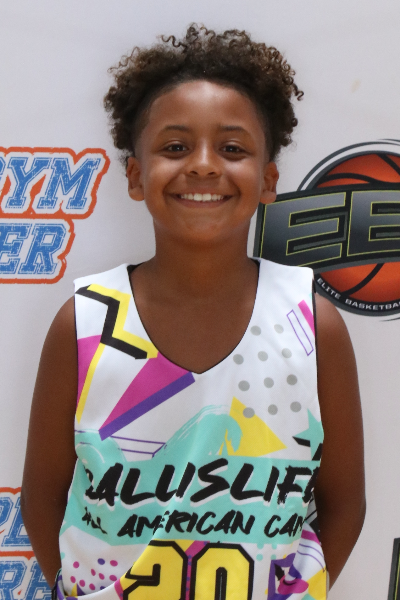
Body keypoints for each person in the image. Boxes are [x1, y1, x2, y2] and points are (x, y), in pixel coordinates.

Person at [21, 24, 365, 600]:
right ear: (136, 176)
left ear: (268, 180)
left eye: (232, 149)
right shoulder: (85, 321)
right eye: (176, 147)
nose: (204, 166)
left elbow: (345, 503)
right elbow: (41, 500)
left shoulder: (311, 322)